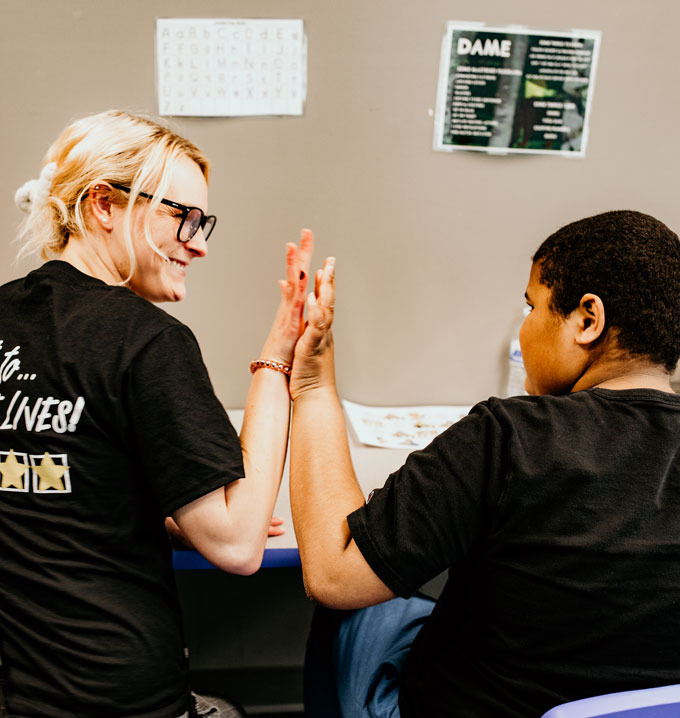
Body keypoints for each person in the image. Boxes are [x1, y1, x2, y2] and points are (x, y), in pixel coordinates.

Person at [289, 210, 680, 717]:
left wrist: (314, 383)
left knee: (354, 613)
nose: (525, 328)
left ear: (587, 320)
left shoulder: (509, 438)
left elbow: (333, 574)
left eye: (532, 306)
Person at [0, 110, 312, 718]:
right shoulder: (146, 340)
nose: (197, 242)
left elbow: (41, 477)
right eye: (181, 216)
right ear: (104, 205)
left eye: (203, 222)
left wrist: (170, 512)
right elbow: (239, 546)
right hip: (122, 697)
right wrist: (279, 361)